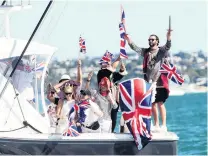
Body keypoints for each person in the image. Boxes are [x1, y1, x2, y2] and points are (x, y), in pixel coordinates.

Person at [124, 30, 172, 131]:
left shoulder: (161, 51)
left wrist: (168, 37)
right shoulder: (146, 52)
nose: (150, 41)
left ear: (157, 41)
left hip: (160, 83)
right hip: (150, 82)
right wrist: (128, 40)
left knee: (160, 103)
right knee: (153, 103)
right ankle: (156, 125)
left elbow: (168, 46)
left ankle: (163, 125)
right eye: (149, 39)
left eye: (152, 39)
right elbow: (135, 48)